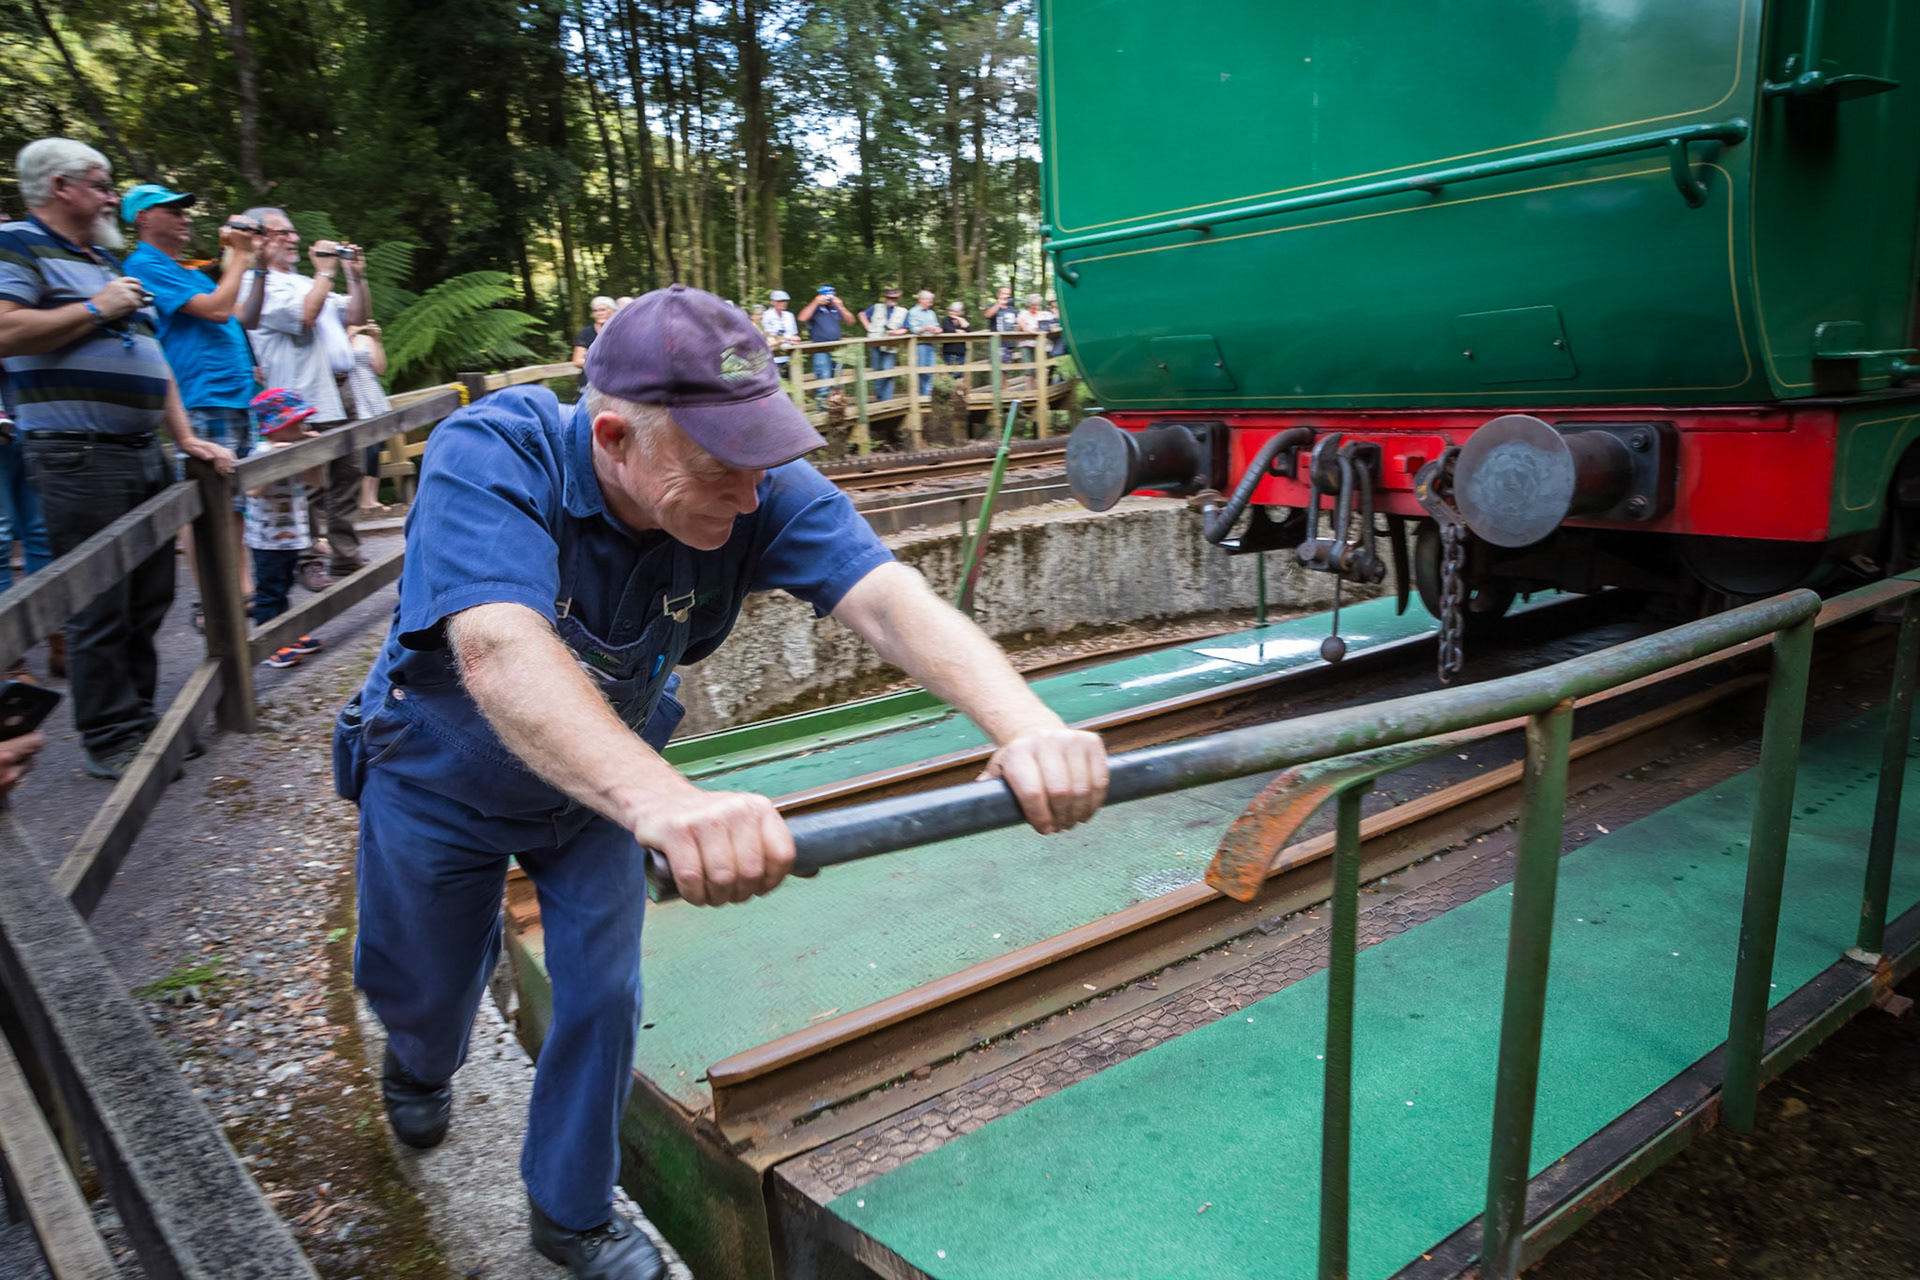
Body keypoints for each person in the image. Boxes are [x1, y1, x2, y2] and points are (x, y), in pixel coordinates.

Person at [334, 285, 1108, 1280]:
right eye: (721, 470)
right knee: (420, 987)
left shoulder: (754, 485)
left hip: (594, 796)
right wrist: (668, 801)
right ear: (614, 436)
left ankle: (567, 1211)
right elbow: (496, 648)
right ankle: (422, 1047)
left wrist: (1028, 726)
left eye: (761, 465)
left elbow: (891, 601)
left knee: (605, 993)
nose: (752, 496)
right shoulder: (492, 453)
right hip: (442, 780)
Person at [0, 138, 236, 780]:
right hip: (79, 454)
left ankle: (138, 719)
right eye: (102, 185)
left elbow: (149, 357)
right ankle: (109, 736)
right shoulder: (18, 245)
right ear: (60, 187)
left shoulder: (100, 257)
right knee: (100, 599)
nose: (111, 196)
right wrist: (97, 308)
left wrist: (183, 437)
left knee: (151, 594)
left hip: (142, 450)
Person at [123, 183, 263, 601]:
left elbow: (236, 312)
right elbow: (218, 310)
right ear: (142, 218)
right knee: (206, 505)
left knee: (234, 502)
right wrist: (238, 256)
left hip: (234, 395)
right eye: (172, 210)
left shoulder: (185, 268)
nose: (185, 217)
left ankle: (239, 592)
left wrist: (248, 262)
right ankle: (214, 603)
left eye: (186, 210)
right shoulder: (144, 263)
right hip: (202, 395)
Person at [237, 207, 371, 591]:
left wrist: (354, 275)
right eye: (282, 233)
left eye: (293, 232)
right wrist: (326, 272)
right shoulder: (256, 285)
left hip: (338, 389)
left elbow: (357, 315)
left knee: (348, 472)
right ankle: (310, 560)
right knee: (308, 483)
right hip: (295, 397)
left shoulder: (305, 280)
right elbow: (305, 318)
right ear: (259, 239)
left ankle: (346, 554)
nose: (293, 239)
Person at [242, 389, 327, 668]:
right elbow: (254, 490)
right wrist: (276, 461)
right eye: (298, 422)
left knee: (285, 586)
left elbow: (314, 482)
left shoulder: (296, 448)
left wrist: (311, 454)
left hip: (291, 536)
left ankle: (286, 634)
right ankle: (269, 643)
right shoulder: (262, 451)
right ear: (277, 427)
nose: (305, 427)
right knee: (269, 590)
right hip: (266, 538)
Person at [347, 321, 393, 510]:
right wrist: (349, 335)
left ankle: (372, 497)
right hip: (352, 396)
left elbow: (380, 368)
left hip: (371, 394)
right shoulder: (335, 340)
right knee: (363, 449)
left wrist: (376, 340)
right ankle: (364, 498)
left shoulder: (365, 339)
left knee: (375, 448)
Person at [797, 286, 854, 409]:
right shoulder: (816, 308)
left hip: (837, 350)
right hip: (820, 349)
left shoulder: (836, 308)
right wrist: (815, 302)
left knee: (838, 380)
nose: (829, 299)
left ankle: (837, 410)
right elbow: (802, 318)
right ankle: (822, 411)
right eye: (827, 296)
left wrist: (841, 306)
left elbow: (850, 321)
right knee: (823, 379)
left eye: (832, 296)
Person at [859, 287, 909, 403]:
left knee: (887, 372)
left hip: (890, 345)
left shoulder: (902, 311)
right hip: (876, 343)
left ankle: (887, 401)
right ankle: (879, 399)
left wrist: (895, 333)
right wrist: (869, 327)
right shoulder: (876, 307)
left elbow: (905, 329)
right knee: (876, 372)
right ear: (885, 298)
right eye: (890, 298)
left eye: (895, 298)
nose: (893, 300)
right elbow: (862, 315)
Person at [905, 290, 941, 398]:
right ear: (921, 300)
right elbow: (913, 329)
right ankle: (922, 396)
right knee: (922, 370)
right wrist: (925, 329)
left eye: (931, 302)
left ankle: (928, 395)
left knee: (931, 370)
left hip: (931, 343)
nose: (931, 304)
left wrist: (938, 330)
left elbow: (936, 325)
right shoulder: (913, 312)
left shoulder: (931, 313)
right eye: (929, 301)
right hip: (919, 345)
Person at [758, 289, 798, 372]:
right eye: (780, 301)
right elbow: (769, 336)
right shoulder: (766, 316)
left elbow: (795, 336)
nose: (783, 303)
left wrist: (787, 339)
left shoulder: (789, 316)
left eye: (785, 301)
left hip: (790, 356)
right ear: (772, 302)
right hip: (773, 357)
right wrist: (787, 339)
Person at [571, 296, 615, 369]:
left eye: (603, 310)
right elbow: (577, 361)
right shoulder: (586, 332)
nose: (599, 313)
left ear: (613, 311)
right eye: (595, 311)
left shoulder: (621, 331)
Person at [986, 284, 1019, 374]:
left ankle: (1005, 389)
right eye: (1004, 293)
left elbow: (1018, 322)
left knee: (1005, 372)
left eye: (1008, 294)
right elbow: (988, 315)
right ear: (998, 294)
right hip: (997, 344)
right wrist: (999, 304)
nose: (1006, 296)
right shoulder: (993, 306)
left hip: (1008, 344)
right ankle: (998, 388)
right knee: (997, 372)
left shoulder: (1012, 309)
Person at [940, 300, 970, 366]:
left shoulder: (963, 320)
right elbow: (947, 329)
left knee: (960, 373)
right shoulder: (946, 320)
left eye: (955, 311)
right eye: (951, 310)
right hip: (949, 350)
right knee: (952, 373)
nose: (952, 313)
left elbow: (968, 330)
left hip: (961, 351)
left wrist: (960, 320)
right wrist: (957, 331)